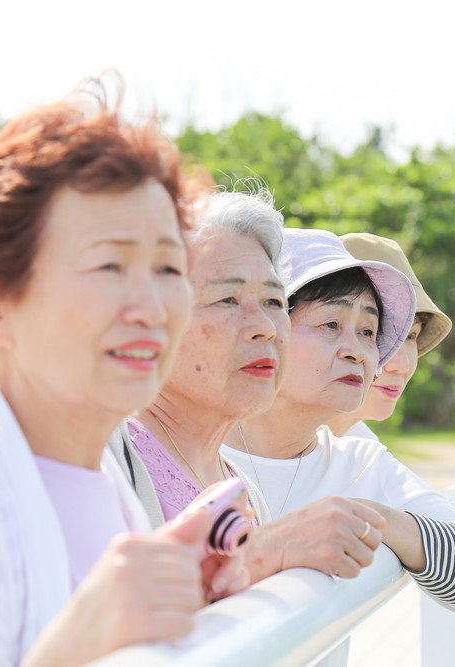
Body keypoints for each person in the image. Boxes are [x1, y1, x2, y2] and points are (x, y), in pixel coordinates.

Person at [0, 78, 241, 666]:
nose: (153, 307)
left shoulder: (102, 478)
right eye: (109, 264)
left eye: (167, 267)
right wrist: (78, 643)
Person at [223, 228, 455, 616]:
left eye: (368, 332)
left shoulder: (360, 466)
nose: (358, 352)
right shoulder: (184, 446)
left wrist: (366, 518)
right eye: (330, 325)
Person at [110, 188, 388, 584]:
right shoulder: (106, 460)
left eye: (274, 302)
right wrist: (265, 552)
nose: (265, 328)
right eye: (228, 299)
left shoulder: (241, 486)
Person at [326, 232, 452, 440]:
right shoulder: (257, 452)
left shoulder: (365, 456)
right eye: (371, 332)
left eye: (411, 336)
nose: (401, 364)